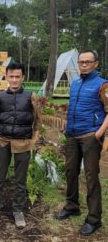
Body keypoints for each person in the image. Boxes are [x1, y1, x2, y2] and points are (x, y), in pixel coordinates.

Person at [55, 50, 108, 236]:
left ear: (95, 63)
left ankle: (94, 219)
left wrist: (98, 134)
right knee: (70, 172)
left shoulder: (102, 85)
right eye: (81, 62)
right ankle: (72, 206)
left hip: (90, 135)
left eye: (87, 62)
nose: (83, 65)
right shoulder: (75, 83)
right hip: (72, 135)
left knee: (91, 176)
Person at [0, 62, 41, 229]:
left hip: (23, 143)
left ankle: (18, 211)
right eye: (11, 76)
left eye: (18, 76)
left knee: (20, 180)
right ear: (6, 77)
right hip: (3, 141)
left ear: (23, 77)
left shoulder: (31, 96)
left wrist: (34, 139)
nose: (15, 80)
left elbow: (38, 120)